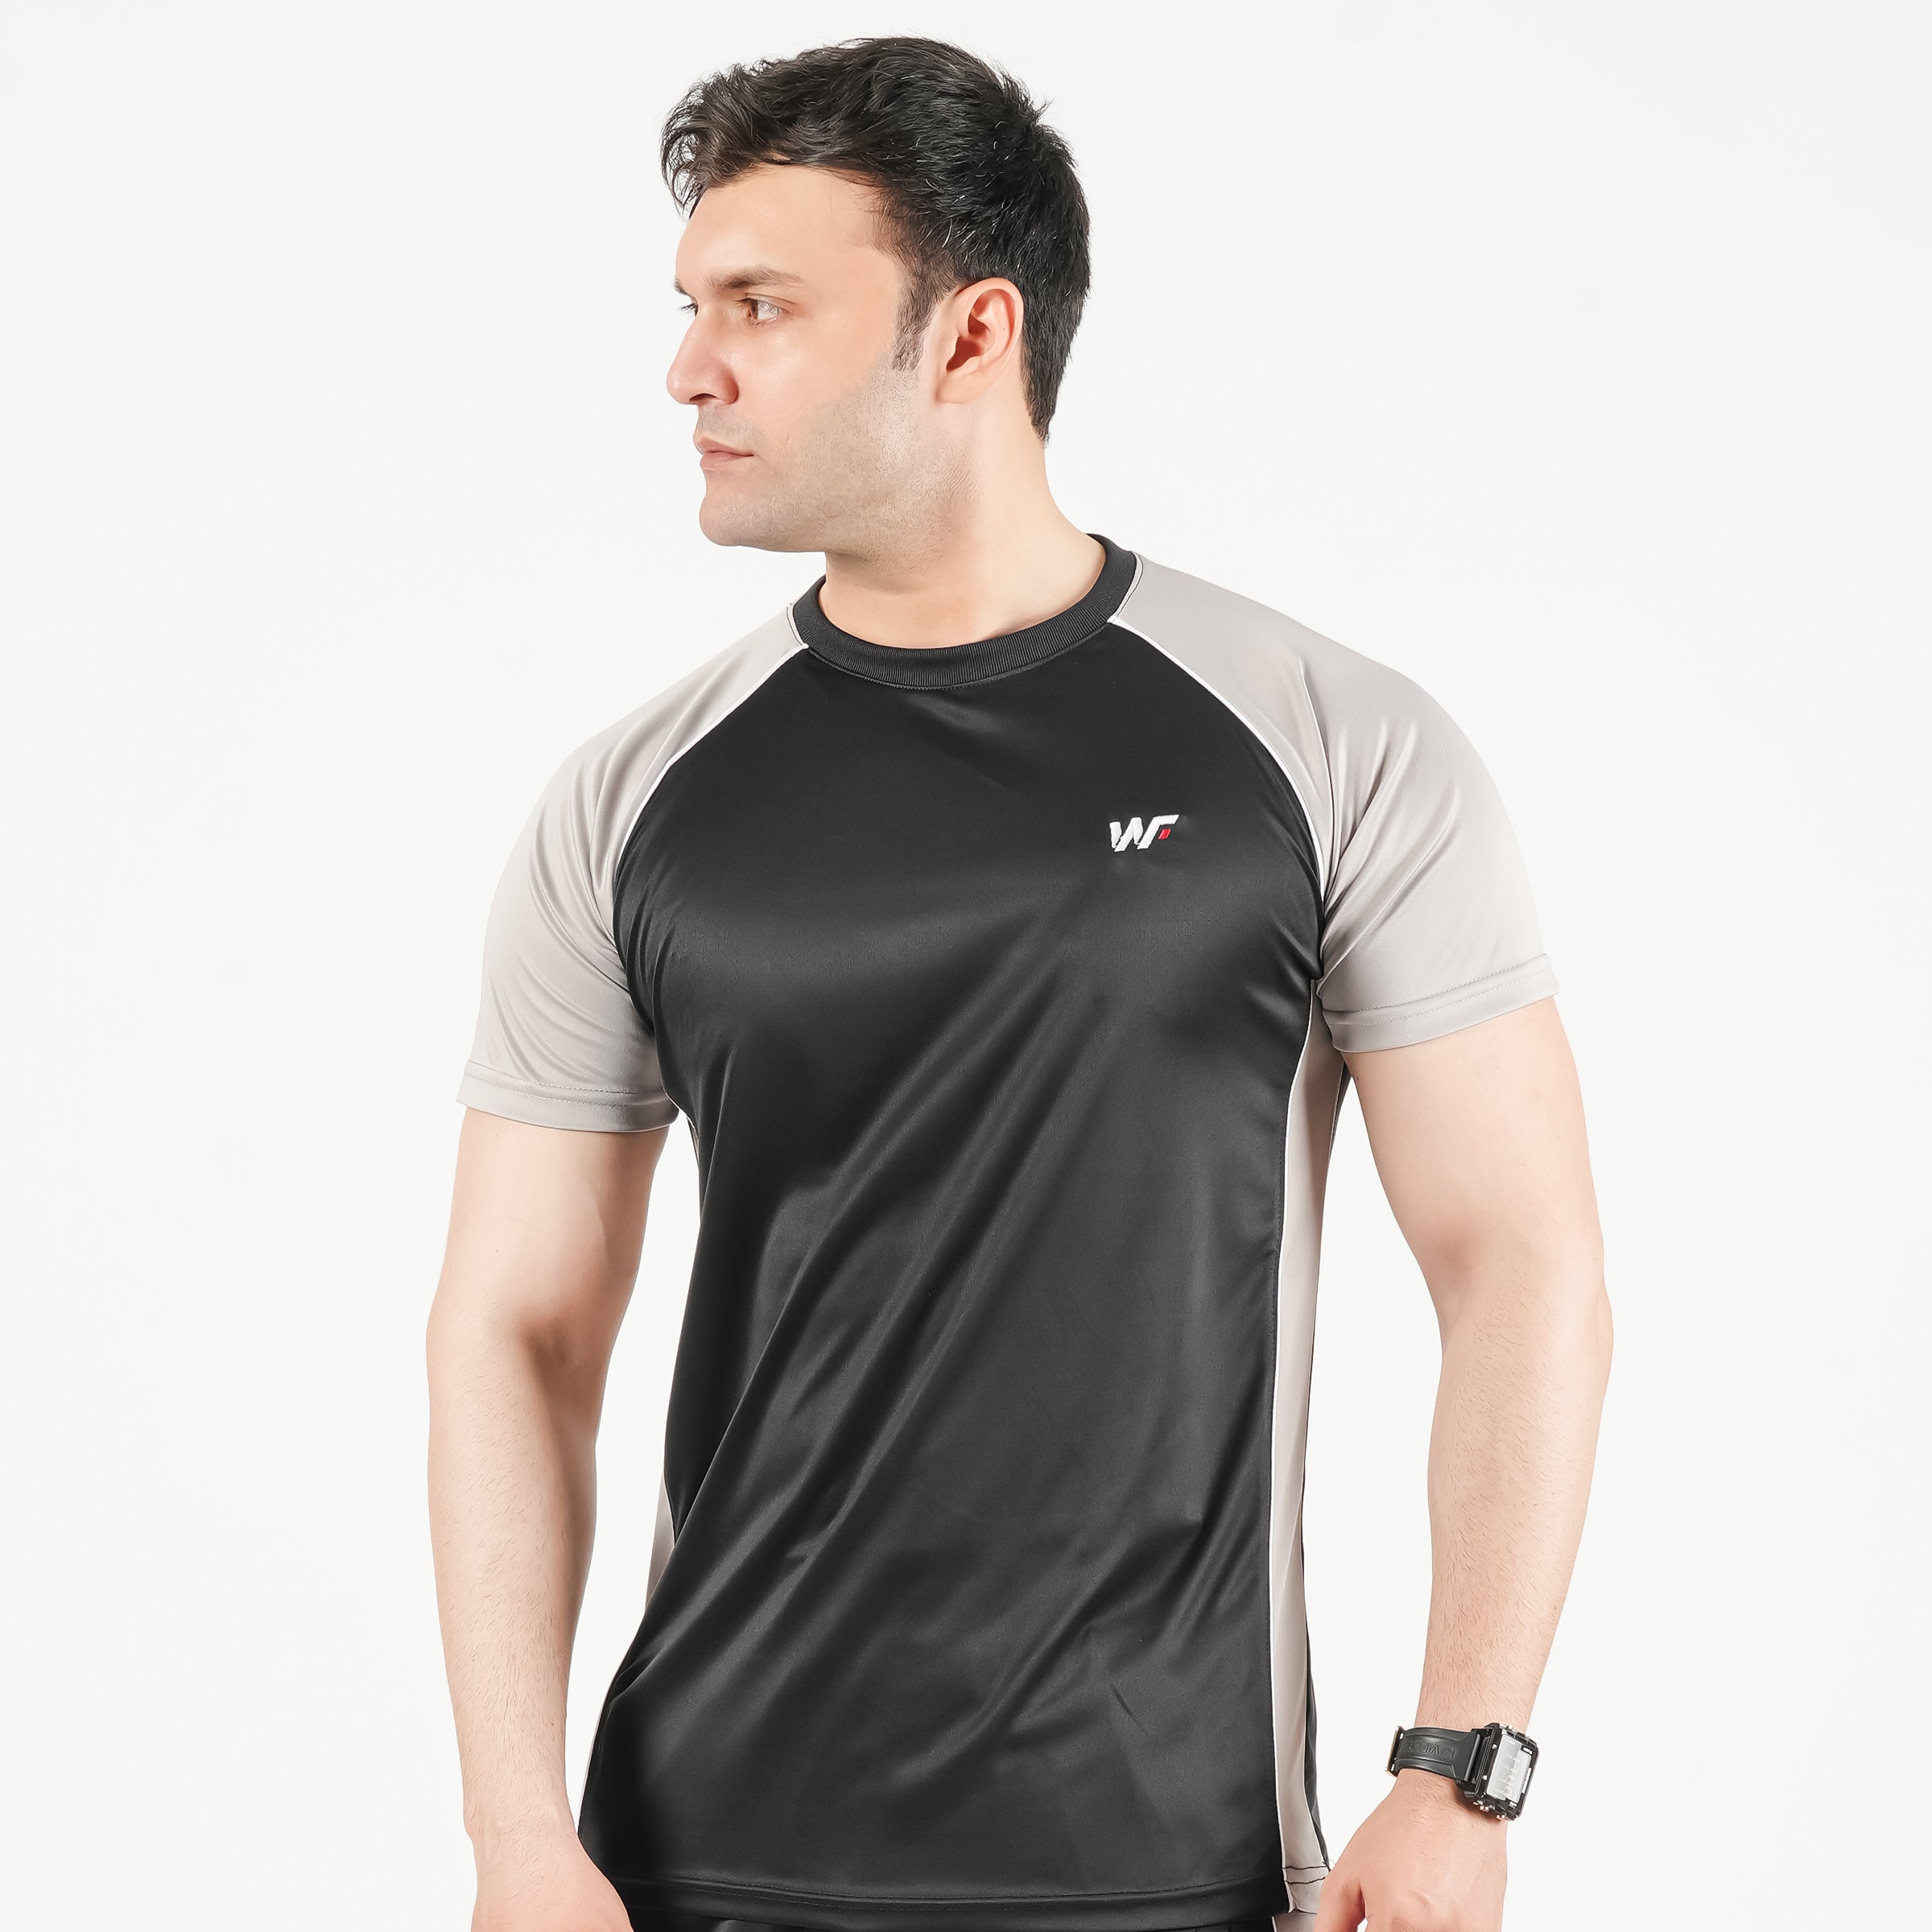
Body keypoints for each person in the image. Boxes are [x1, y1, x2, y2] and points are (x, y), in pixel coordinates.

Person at [426, 35, 1612, 1932]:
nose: (688, 370)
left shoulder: (1328, 744)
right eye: (689, 307)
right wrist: (514, 1838)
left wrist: (1462, 1775)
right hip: (693, 1861)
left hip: (1170, 1864)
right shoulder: (634, 799)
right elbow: (516, 1327)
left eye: (759, 307)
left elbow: (1522, 1261)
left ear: (972, 335)